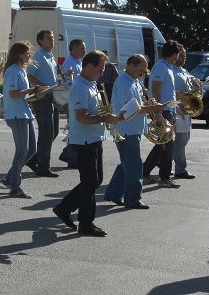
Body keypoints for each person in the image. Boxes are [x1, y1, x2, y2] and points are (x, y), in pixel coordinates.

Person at [53, 50, 120, 236]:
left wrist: (105, 118)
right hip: (84, 140)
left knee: (95, 180)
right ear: (89, 66)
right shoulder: (81, 87)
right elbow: (82, 117)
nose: (103, 71)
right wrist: (103, 117)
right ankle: (85, 223)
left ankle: (64, 208)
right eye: (101, 67)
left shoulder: (92, 83)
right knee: (90, 182)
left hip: (94, 138)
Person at [104, 54, 164, 209]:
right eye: (141, 70)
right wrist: (154, 108)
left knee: (127, 163)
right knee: (134, 165)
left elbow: (138, 103)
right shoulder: (124, 82)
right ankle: (133, 199)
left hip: (132, 129)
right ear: (130, 65)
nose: (143, 73)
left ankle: (113, 193)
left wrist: (151, 105)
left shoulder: (133, 81)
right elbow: (131, 109)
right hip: (126, 129)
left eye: (144, 70)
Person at [1, 41, 40, 198]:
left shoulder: (21, 70)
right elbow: (12, 94)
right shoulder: (12, 71)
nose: (29, 55)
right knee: (22, 151)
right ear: (19, 54)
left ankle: (10, 178)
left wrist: (34, 95)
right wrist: (31, 90)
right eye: (26, 53)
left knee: (32, 150)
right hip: (16, 115)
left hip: (24, 113)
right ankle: (15, 187)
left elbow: (20, 94)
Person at [143, 40, 181, 188]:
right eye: (178, 54)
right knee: (167, 145)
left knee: (162, 145)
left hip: (168, 110)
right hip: (163, 111)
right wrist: (158, 110)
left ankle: (144, 171)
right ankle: (164, 178)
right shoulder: (161, 67)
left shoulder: (167, 67)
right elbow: (156, 88)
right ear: (174, 54)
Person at [26, 30, 60, 177]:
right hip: (42, 98)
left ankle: (34, 158)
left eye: (52, 38)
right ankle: (43, 167)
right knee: (46, 133)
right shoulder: (38, 56)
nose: (52, 40)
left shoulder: (50, 56)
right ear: (40, 41)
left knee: (54, 131)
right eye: (49, 38)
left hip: (53, 96)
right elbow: (29, 75)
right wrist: (42, 86)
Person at [58, 39, 87, 168]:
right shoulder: (70, 63)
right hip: (72, 100)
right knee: (75, 128)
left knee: (75, 128)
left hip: (76, 100)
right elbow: (68, 84)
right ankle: (72, 158)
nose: (84, 50)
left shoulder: (78, 62)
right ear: (73, 49)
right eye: (82, 48)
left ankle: (67, 153)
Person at [172, 45, 195, 180]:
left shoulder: (184, 71)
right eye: (181, 55)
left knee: (185, 139)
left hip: (186, 108)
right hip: (177, 108)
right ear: (175, 55)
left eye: (185, 55)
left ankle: (160, 160)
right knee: (181, 139)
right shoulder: (171, 70)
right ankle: (180, 169)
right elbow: (167, 90)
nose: (183, 58)